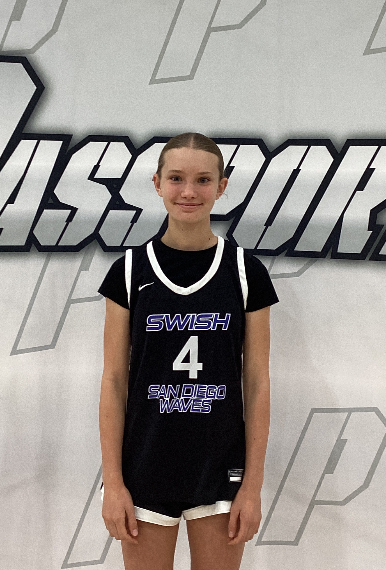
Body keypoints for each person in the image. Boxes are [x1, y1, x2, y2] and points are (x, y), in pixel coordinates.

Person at [98, 133, 278, 570]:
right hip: (145, 462)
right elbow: (114, 381)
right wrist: (113, 483)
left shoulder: (246, 272)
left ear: (221, 186)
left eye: (203, 180)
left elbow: (257, 382)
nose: (189, 192)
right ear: (157, 183)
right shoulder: (128, 270)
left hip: (220, 465)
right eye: (176, 178)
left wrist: (252, 486)